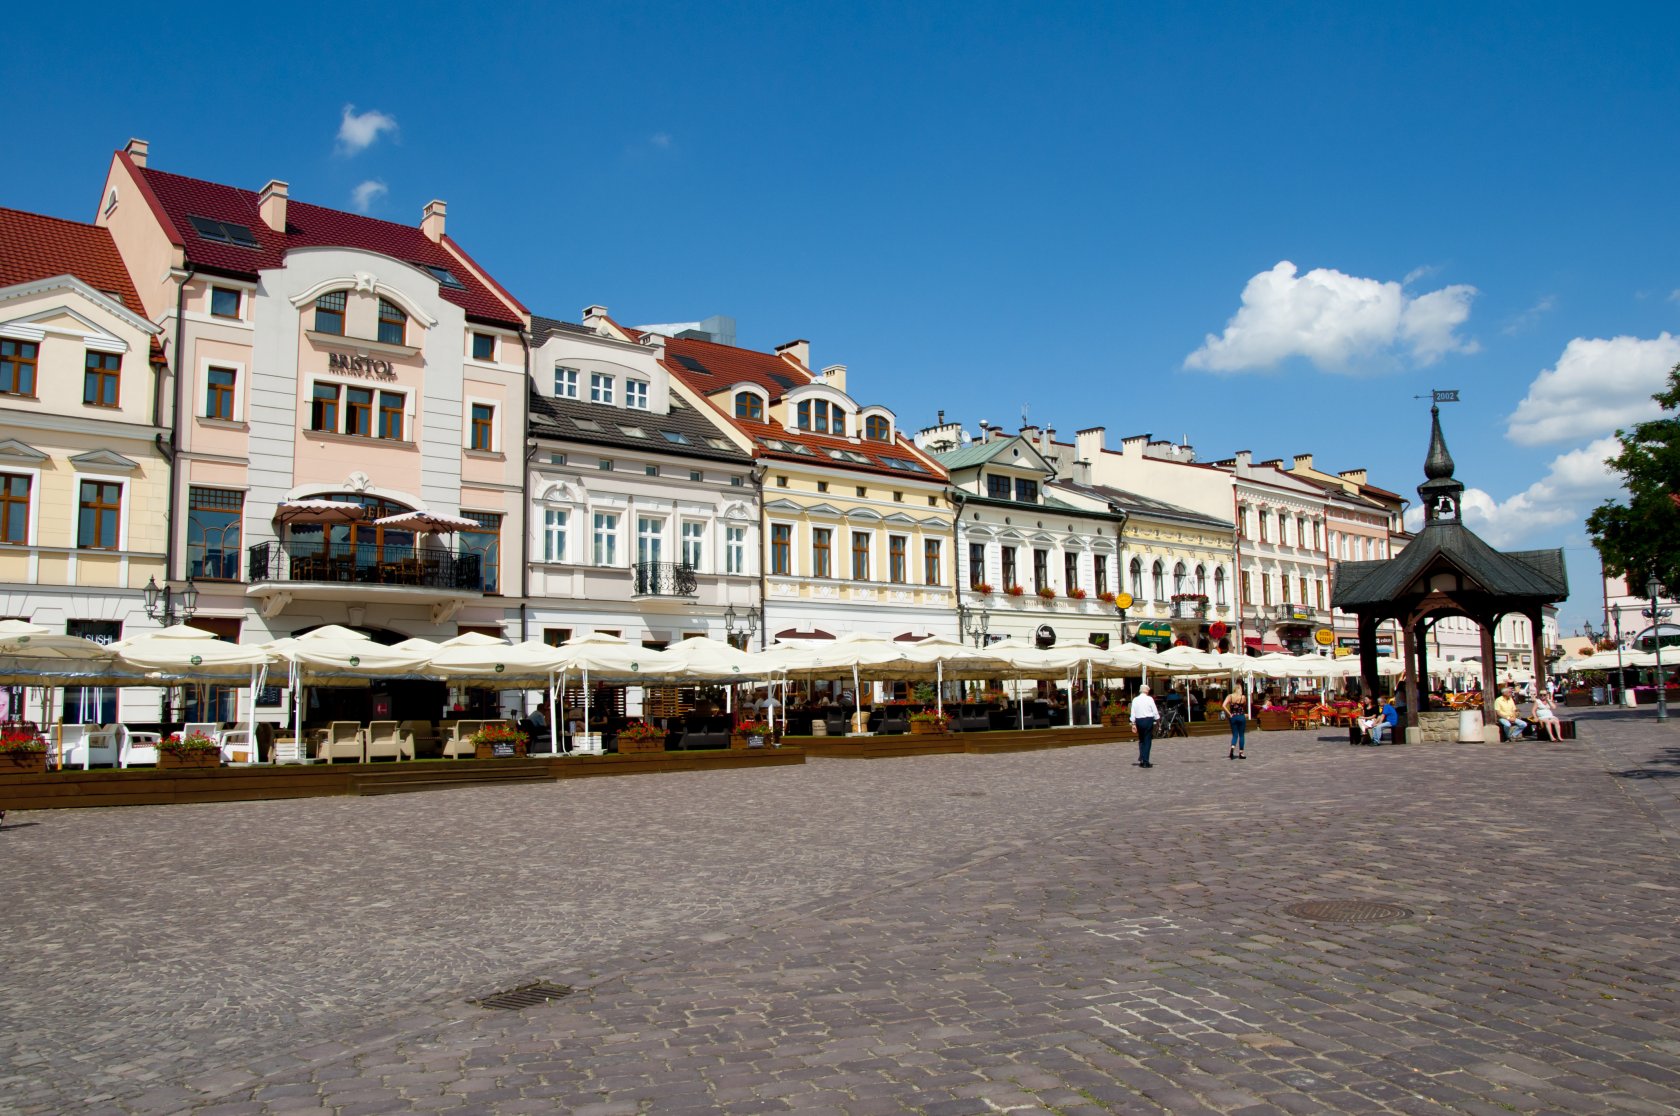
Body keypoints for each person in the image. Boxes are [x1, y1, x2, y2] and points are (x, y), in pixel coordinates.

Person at [1130, 684, 1160, 768]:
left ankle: (1142, 759)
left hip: (1139, 720)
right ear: (1147, 691)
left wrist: (1133, 723)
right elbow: (1154, 711)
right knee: (1147, 740)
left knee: (1141, 740)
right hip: (1148, 720)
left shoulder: (1135, 699)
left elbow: (1133, 712)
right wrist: (1157, 720)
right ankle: (1146, 761)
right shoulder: (1149, 699)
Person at [1222, 686, 1248, 759]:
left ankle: (1232, 748)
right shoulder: (1243, 697)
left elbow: (1223, 705)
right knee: (1241, 735)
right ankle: (1241, 753)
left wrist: (1229, 714)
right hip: (1241, 716)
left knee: (1235, 735)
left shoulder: (1230, 696)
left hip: (1233, 717)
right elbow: (1244, 706)